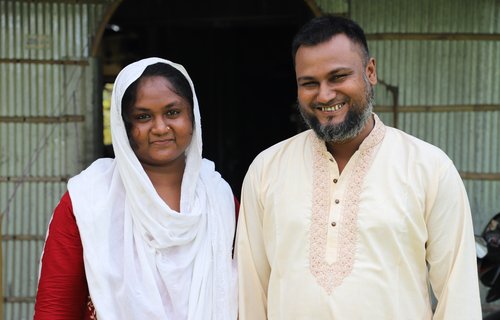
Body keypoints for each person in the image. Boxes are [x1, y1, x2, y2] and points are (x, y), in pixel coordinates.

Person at [236, 15, 481, 319]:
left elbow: (458, 296)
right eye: (309, 83)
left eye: (338, 77)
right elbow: (251, 292)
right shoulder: (266, 170)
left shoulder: (429, 169)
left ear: (370, 71)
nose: (324, 95)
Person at [34, 57, 238, 319]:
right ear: (125, 127)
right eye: (143, 117)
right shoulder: (89, 200)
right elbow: (56, 307)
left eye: (173, 112)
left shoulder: (219, 198)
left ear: (193, 115)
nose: (160, 127)